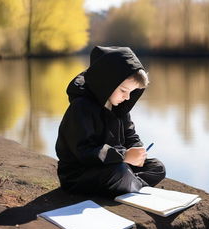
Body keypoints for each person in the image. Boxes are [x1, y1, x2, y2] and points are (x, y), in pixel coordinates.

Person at [55, 46, 166, 198]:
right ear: (106, 83)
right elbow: (84, 151)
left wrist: (137, 150)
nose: (127, 97)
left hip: (113, 164)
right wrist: (124, 156)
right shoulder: (81, 107)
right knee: (120, 171)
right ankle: (130, 184)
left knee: (157, 167)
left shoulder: (119, 107)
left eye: (131, 92)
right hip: (80, 174)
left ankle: (128, 184)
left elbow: (130, 135)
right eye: (123, 90)